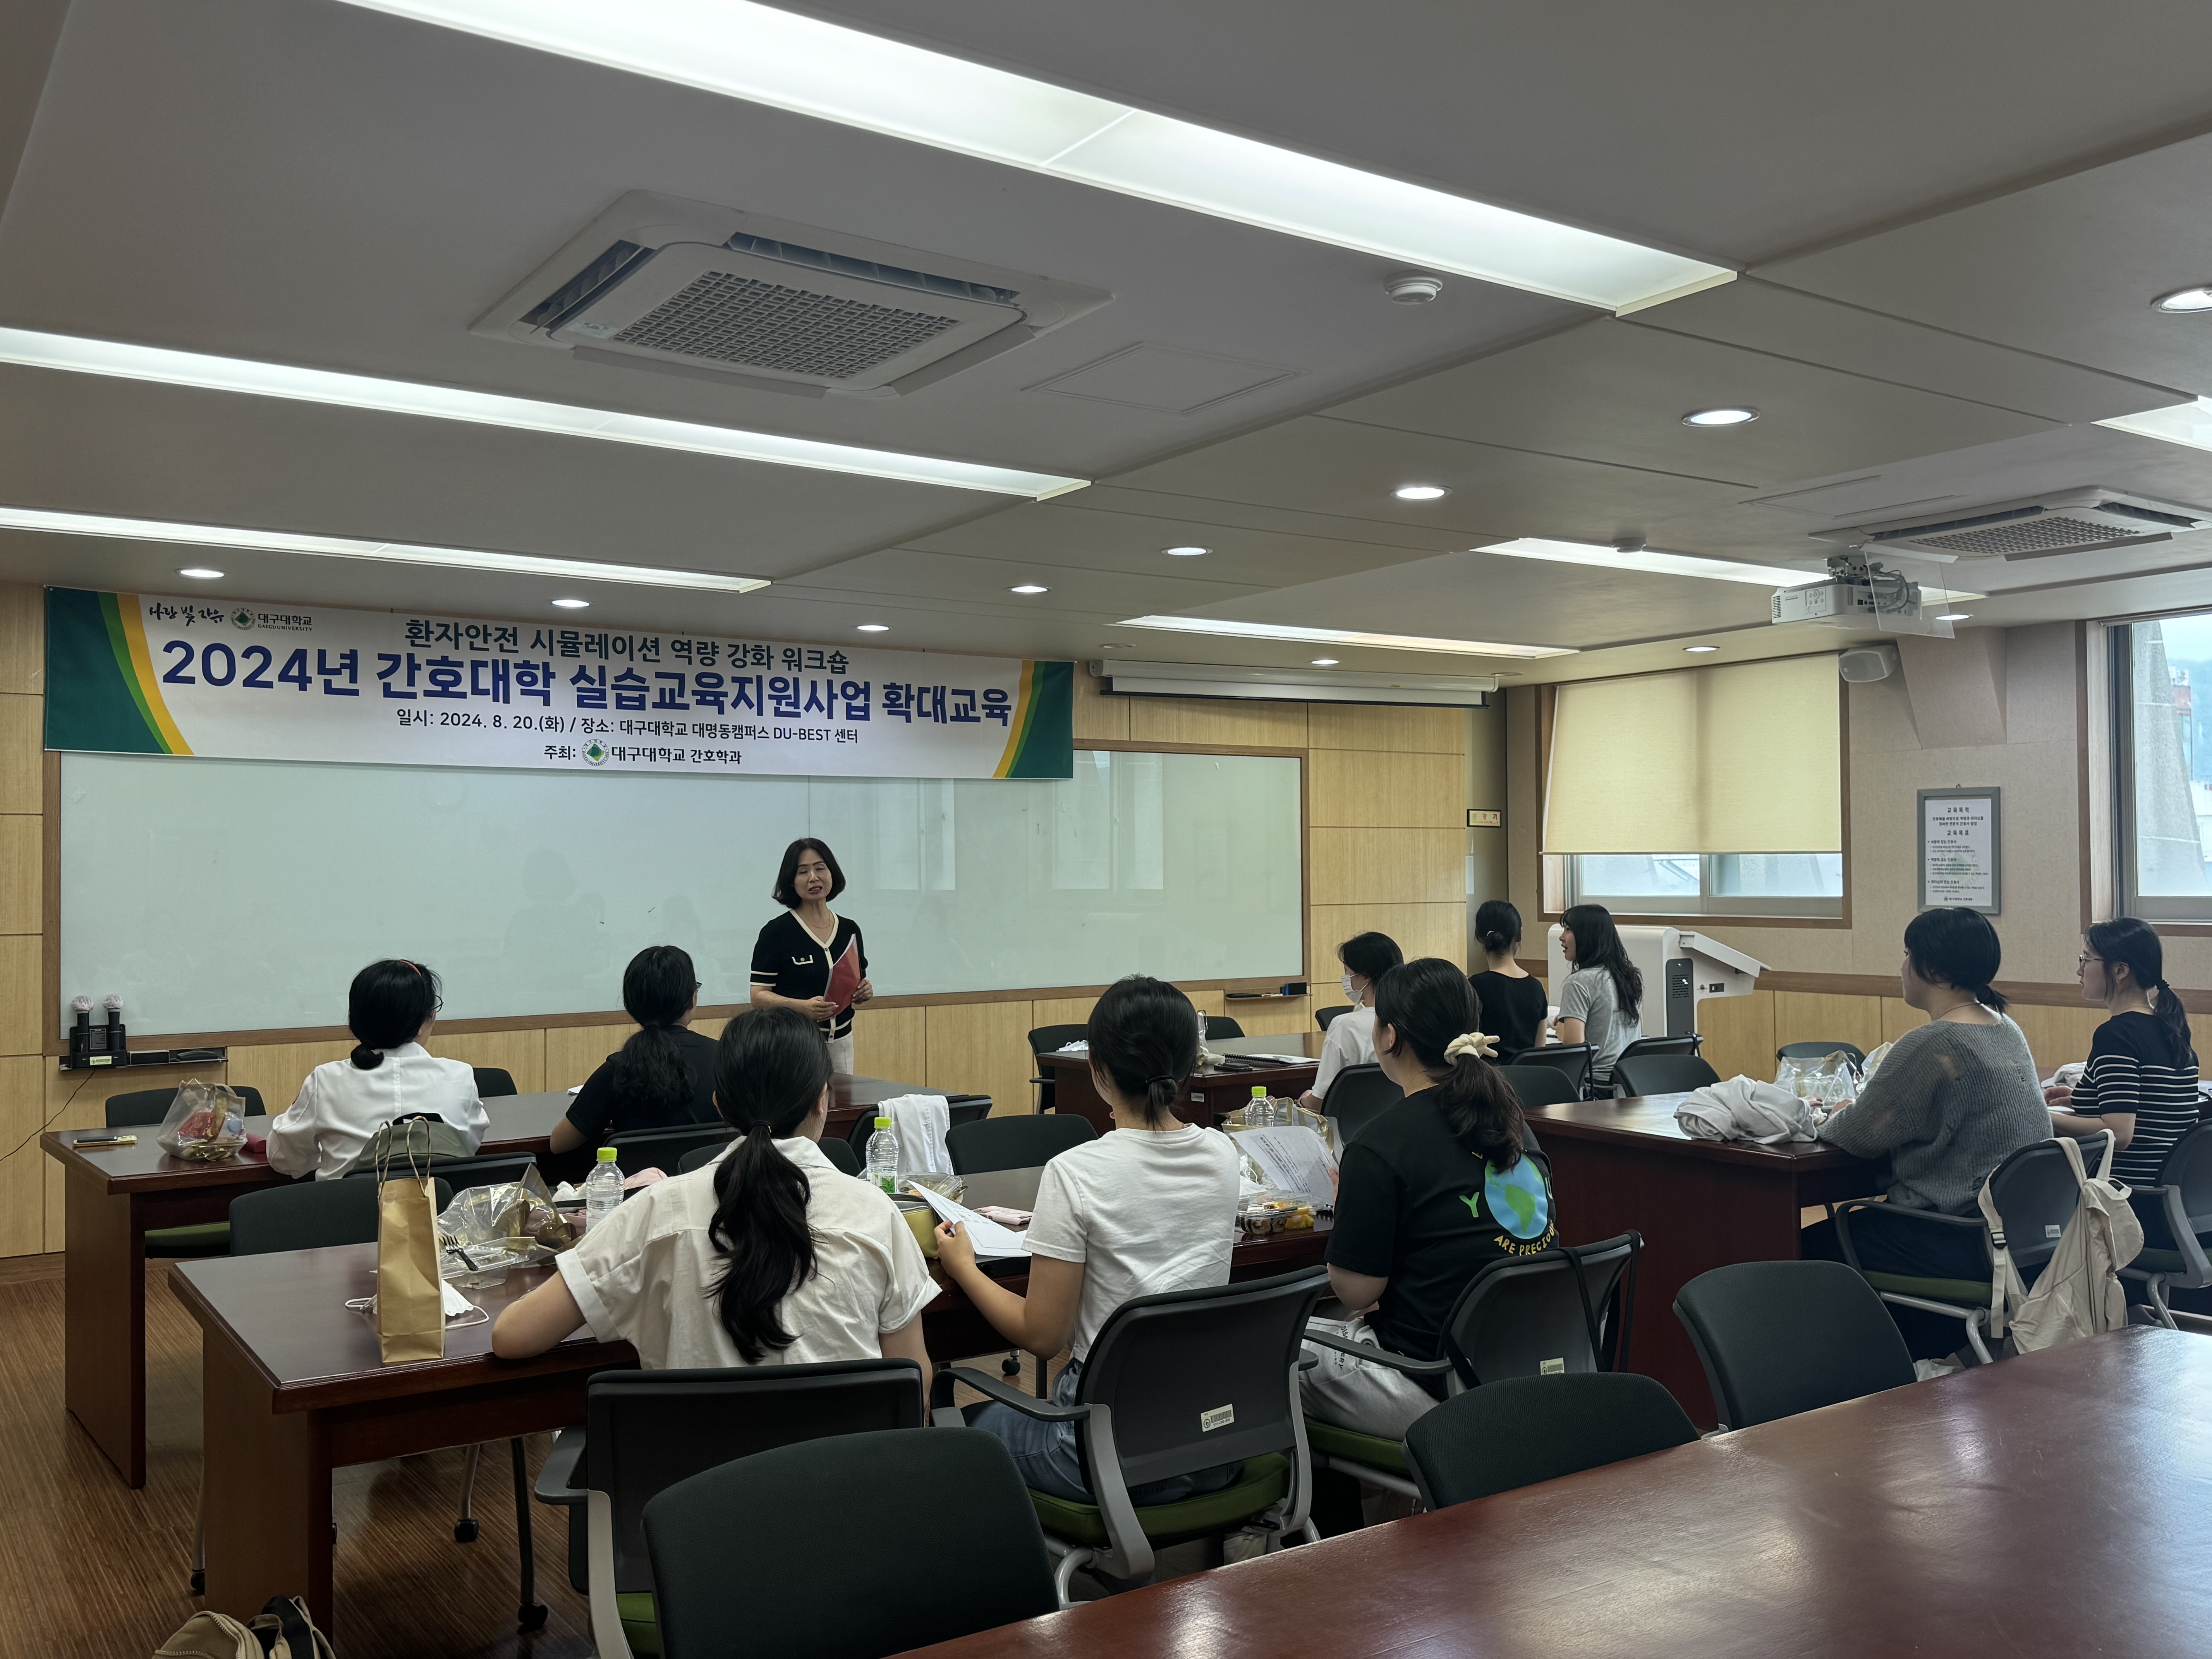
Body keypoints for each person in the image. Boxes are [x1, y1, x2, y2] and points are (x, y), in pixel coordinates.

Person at [934, 975, 1242, 1503]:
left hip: (1102, 1450)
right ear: (1190, 1063)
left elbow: (1042, 1337)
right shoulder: (1222, 1154)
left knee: (952, 1433)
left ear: (1097, 1067)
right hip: (1212, 1442)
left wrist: (962, 1266)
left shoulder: (1076, 1172)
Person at [493, 1005, 934, 1370]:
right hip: (845, 1456)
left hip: (695, 1457)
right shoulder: (874, 1212)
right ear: (823, 1100)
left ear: (719, 1105)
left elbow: (512, 1337)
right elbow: (915, 1382)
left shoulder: (656, 1211)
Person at [1302, 957, 1556, 1439]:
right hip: (1530, 1368)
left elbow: (1357, 1294)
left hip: (1438, 1383)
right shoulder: (1512, 1124)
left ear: (1389, 1036)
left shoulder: (1379, 1145)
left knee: (1281, 1350)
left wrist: (1350, 1208)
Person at [1802, 908, 2049, 1360]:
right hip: (2019, 1239)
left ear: (1932, 968)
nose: (1902, 966)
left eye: (1907, 954)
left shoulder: (1933, 1043)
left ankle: (1843, 1374)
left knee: (1800, 1247)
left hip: (1956, 1238)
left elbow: (1858, 1135)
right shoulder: (2005, 1028)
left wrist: (1831, 1115)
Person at [267, 960, 487, 1179]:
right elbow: (466, 1147)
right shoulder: (460, 1076)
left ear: (356, 1022)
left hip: (348, 1202)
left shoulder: (325, 1081)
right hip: (437, 1201)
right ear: (424, 1022)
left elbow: (284, 1160)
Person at [2047, 917, 2202, 1189]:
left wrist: (2042, 1116)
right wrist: (2083, 1099)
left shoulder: (2116, 1036)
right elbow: (2151, 1105)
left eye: (2087, 960)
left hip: (2126, 1194)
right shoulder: (2171, 1029)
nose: (2079, 971)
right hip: (2170, 1195)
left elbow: (2119, 1134)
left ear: (2120, 971)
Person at [550, 945, 718, 1154]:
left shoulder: (619, 1068)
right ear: (692, 999)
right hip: (711, 1175)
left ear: (631, 1005)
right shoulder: (724, 1058)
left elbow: (559, 1144)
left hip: (639, 1177)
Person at [750, 838, 873, 1074]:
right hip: (795, 1043)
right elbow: (758, 996)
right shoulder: (777, 932)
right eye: (803, 872)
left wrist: (864, 990)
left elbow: (855, 980)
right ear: (791, 880)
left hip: (842, 1041)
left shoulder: (850, 930)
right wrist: (801, 1007)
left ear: (832, 873)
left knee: (842, 1098)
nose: (814, 878)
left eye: (820, 868)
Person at [1300, 932, 1403, 1111]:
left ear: (1365, 976)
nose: (1346, 978)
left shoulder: (1345, 1025)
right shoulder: (1414, 1018)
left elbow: (1321, 1101)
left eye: (1347, 972)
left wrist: (1302, 1101)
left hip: (1350, 1124)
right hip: (1402, 1116)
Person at [1554, 903, 1642, 1092]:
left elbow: (1575, 1052)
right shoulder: (1629, 977)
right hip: (1632, 1083)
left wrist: (1563, 1032)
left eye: (1569, 930)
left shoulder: (1578, 982)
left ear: (1587, 936)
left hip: (1595, 1086)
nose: (1562, 937)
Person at [1468, 900, 1548, 1062]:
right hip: (1530, 1077)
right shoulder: (1537, 988)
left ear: (1480, 938)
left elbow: (1464, 1046)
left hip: (1487, 1077)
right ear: (1520, 935)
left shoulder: (1474, 987)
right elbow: (1539, 1053)